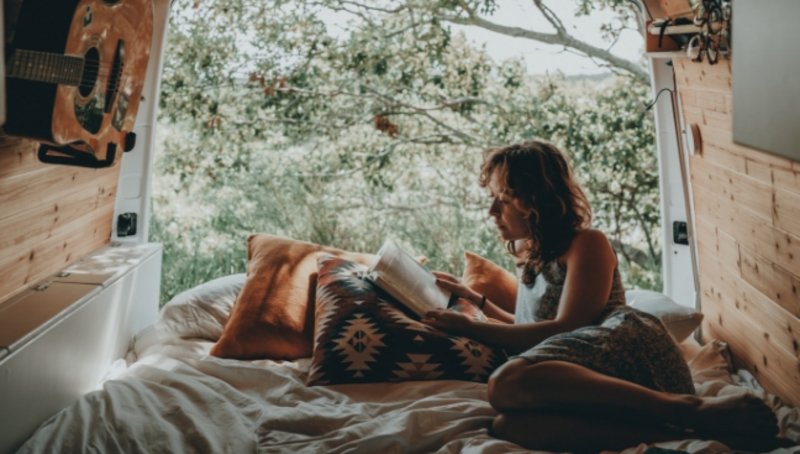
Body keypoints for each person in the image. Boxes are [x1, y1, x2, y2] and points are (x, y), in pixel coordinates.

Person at [422, 140, 783, 452]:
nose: (492, 211)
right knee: (509, 427)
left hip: (626, 354)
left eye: (502, 199)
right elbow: (531, 327)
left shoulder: (586, 243)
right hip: (582, 372)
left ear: (534, 200)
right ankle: (682, 431)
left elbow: (565, 328)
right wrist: (475, 301)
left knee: (504, 383)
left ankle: (689, 408)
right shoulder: (531, 255)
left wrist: (473, 329)